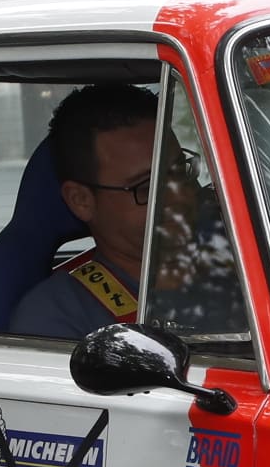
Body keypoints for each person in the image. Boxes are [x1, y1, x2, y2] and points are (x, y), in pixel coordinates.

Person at [9, 84, 164, 341]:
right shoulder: (55, 317)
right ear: (81, 201)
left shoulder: (232, 268)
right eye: (147, 186)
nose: (179, 194)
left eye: (179, 170)